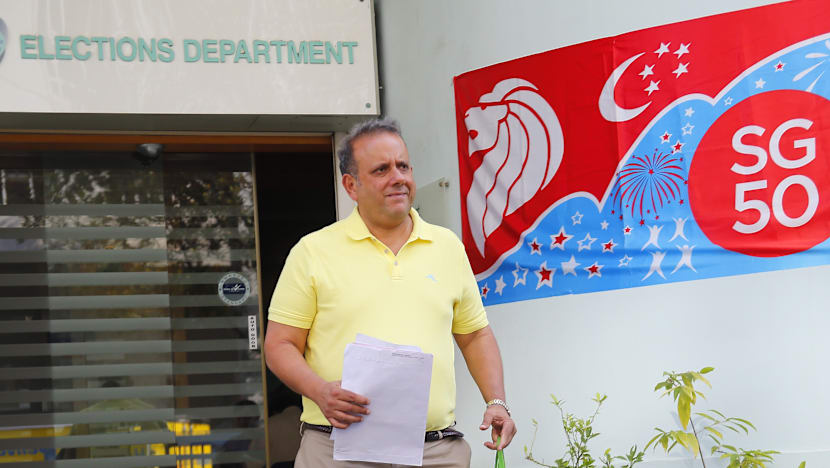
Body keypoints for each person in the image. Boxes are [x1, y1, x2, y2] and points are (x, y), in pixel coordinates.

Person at [264, 118, 516, 467]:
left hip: (435, 452)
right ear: (351, 186)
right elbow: (279, 344)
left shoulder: (446, 247)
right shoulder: (312, 252)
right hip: (338, 449)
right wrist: (319, 391)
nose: (397, 177)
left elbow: (475, 336)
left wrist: (497, 402)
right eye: (381, 169)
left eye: (403, 166)